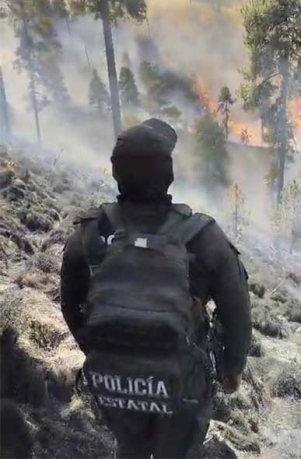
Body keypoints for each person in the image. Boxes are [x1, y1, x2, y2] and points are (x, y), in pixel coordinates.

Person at [60, 118, 252, 458]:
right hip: (182, 387)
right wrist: (231, 371)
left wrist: (100, 349)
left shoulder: (91, 233)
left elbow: (71, 304)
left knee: (129, 447)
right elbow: (237, 314)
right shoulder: (202, 236)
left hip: (114, 383)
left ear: (117, 172)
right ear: (168, 174)